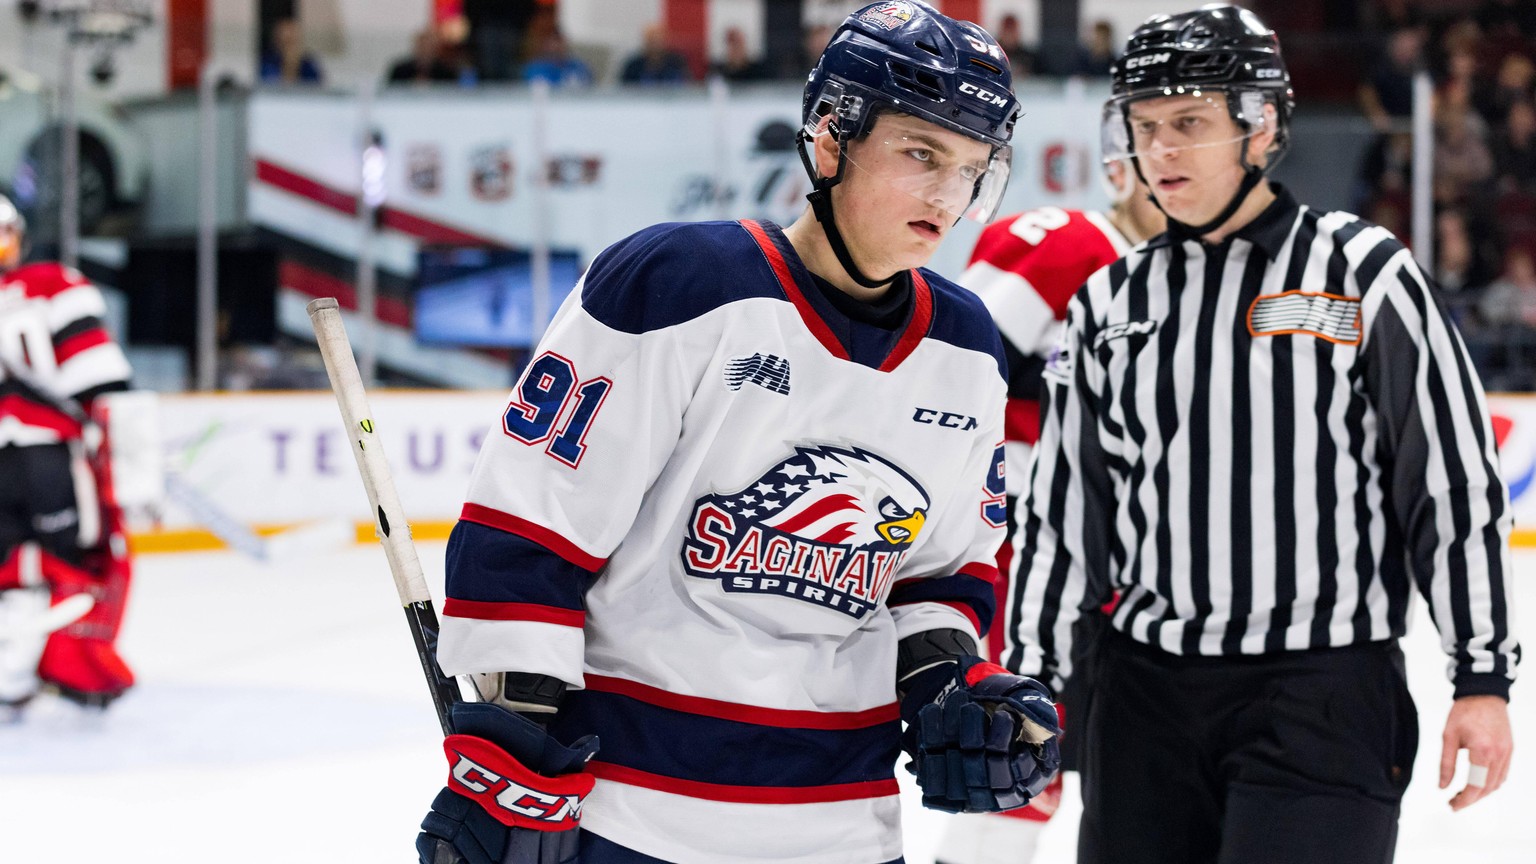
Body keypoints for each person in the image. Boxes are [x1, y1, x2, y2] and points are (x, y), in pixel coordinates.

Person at [414, 4, 1063, 864]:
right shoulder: (679, 284)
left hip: (841, 823)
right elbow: (535, 521)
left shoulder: (966, 347)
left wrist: (953, 685)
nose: (950, 195)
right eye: (921, 154)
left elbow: (944, 569)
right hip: (631, 813)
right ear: (830, 141)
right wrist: (508, 746)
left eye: (974, 168)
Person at [1006, 7, 1518, 864]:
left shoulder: (1364, 274)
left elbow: (1449, 485)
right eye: (1145, 127)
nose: (1161, 150)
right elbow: (1067, 518)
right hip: (1143, 701)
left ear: (1261, 125)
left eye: (1189, 124)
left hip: (1322, 695)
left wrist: (1483, 678)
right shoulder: (1109, 303)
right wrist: (1031, 681)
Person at [934, 134, 1165, 864]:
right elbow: (955, 368)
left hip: (1117, 568)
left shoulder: (1185, 280)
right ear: (1121, 170)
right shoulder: (1072, 245)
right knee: (1016, 750)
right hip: (1028, 550)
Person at [0, 194, 137, 714]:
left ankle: (15, 677)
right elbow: (100, 377)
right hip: (48, 456)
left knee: (12, 568)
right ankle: (72, 670)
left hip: (21, 457)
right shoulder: (52, 283)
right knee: (75, 565)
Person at [619, 23, 691, 85]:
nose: (655, 45)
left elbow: (688, 85)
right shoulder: (633, 66)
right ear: (646, 43)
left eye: (658, 41)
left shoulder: (677, 62)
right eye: (652, 41)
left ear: (665, 41)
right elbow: (623, 89)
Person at [259, 17, 323, 85]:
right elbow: (269, 83)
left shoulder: (308, 64)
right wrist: (288, 66)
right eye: (285, 41)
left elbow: (316, 84)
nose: (288, 47)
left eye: (292, 41)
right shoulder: (268, 63)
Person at [387, 28, 459, 85]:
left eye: (428, 47)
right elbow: (390, 91)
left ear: (435, 49)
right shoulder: (400, 71)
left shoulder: (446, 72)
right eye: (422, 46)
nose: (425, 50)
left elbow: (451, 93)